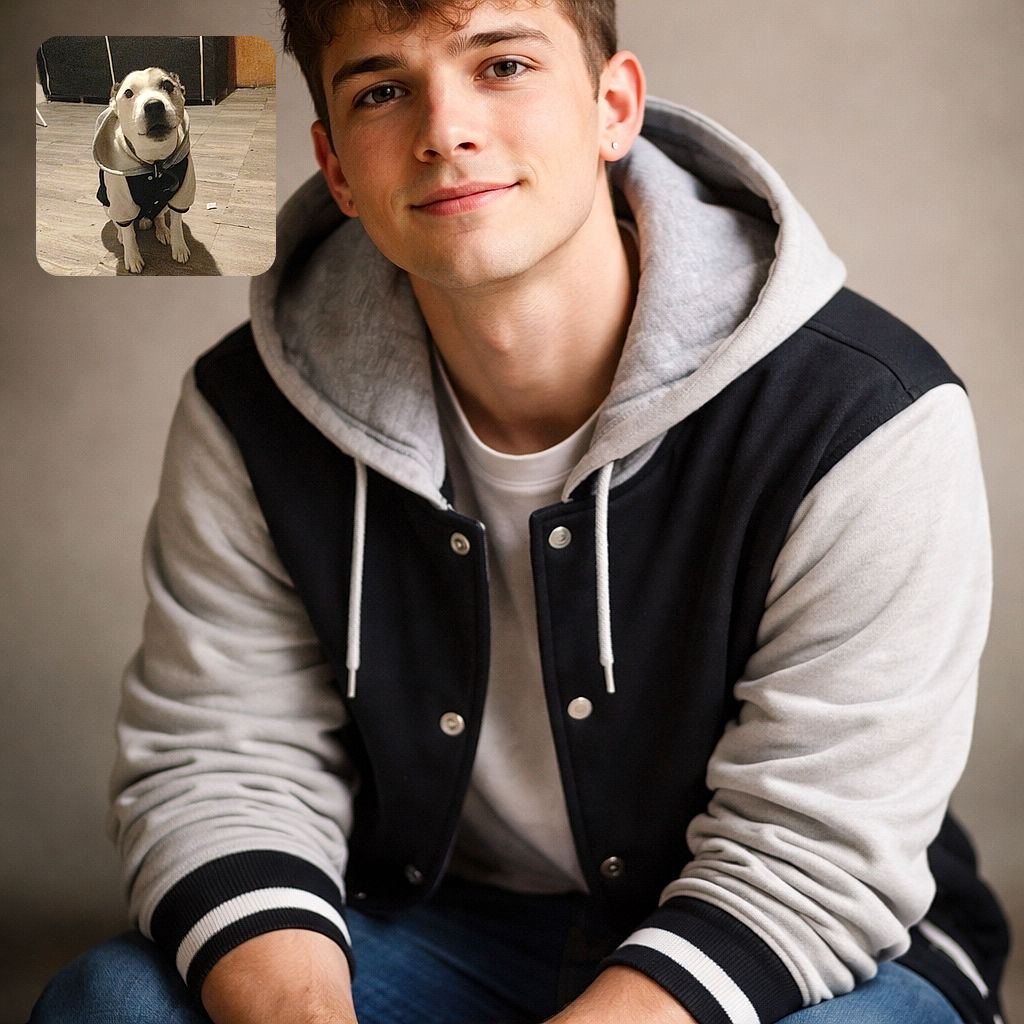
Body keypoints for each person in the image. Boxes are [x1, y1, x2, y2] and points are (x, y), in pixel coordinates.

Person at [30, 1, 1010, 1022]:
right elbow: (224, 765)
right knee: (112, 1003)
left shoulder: (863, 412)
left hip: (785, 943)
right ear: (337, 169)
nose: (443, 130)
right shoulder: (251, 408)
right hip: (436, 925)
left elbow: (812, 859)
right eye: (382, 90)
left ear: (613, 107)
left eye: (501, 65)